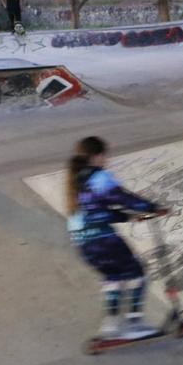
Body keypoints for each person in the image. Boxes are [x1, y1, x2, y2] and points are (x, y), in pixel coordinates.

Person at [66, 136, 169, 339]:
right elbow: (122, 197)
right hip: (104, 241)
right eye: (105, 156)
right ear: (97, 156)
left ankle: (111, 326)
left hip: (83, 244)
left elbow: (94, 213)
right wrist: (154, 208)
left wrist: (128, 217)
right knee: (138, 273)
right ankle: (134, 325)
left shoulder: (75, 182)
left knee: (113, 276)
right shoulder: (99, 177)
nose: (106, 160)